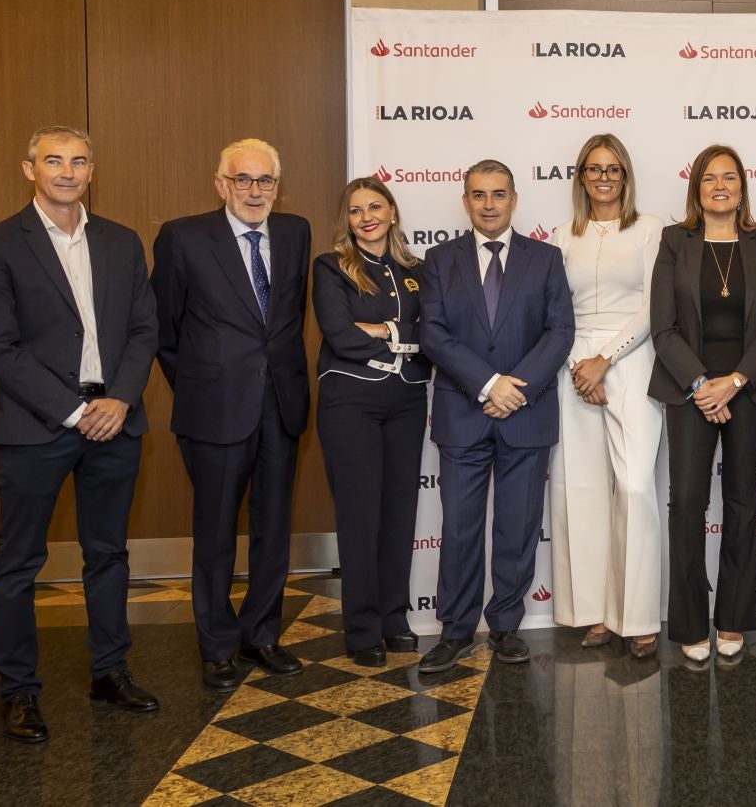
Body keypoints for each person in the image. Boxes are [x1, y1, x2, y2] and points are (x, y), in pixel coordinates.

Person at [0, 126, 160, 742]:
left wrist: (121, 399)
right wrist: (76, 412)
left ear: (91, 169)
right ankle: (19, 691)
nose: (67, 171)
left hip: (116, 419)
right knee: (19, 562)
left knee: (108, 553)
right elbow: (0, 349)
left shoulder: (121, 242)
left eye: (78, 161)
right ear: (30, 169)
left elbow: (142, 330)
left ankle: (109, 671)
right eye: (53, 160)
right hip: (37, 426)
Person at [153, 138, 311, 691]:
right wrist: (201, 385)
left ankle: (261, 635)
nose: (254, 191)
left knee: (274, 530)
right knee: (216, 531)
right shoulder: (183, 237)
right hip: (214, 409)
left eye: (264, 181)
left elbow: (288, 319)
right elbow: (164, 330)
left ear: (277, 187)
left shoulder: (295, 233)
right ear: (221, 184)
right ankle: (217, 646)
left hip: (282, 407)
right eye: (242, 179)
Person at [418, 160, 575, 673]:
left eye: (499, 194)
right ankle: (455, 629)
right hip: (464, 411)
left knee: (517, 526)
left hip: (525, 414)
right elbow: (434, 334)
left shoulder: (547, 259)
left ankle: (506, 625)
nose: (489, 204)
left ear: (515, 199)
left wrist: (516, 390)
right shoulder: (439, 260)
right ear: (465, 201)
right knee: (461, 528)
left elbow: (559, 333)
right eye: (479, 195)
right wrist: (489, 384)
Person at [649, 144, 756, 663]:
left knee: (741, 502)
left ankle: (733, 618)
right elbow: (663, 328)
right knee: (687, 503)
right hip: (690, 390)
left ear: (742, 187)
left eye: (729, 177)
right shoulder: (673, 242)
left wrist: (734, 382)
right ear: (697, 188)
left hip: (749, 388)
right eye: (710, 178)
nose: (720, 186)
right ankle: (689, 621)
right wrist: (703, 385)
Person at [549, 135, 666, 661]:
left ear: (625, 176)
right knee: (583, 490)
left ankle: (638, 616)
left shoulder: (649, 229)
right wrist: (581, 364)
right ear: (581, 177)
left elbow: (652, 305)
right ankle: (595, 613)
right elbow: (557, 308)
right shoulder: (561, 236)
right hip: (573, 367)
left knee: (635, 485)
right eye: (593, 169)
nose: (603, 177)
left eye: (612, 169)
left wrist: (607, 358)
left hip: (633, 360)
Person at [311, 177, 430, 668]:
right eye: (356, 210)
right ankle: (362, 628)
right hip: (350, 400)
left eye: (375, 206)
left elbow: (432, 331)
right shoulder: (331, 267)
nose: (366, 217)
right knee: (360, 515)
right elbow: (338, 333)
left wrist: (386, 331)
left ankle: (393, 618)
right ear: (348, 219)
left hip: (406, 398)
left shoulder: (417, 269)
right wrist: (401, 335)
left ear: (392, 212)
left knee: (399, 511)